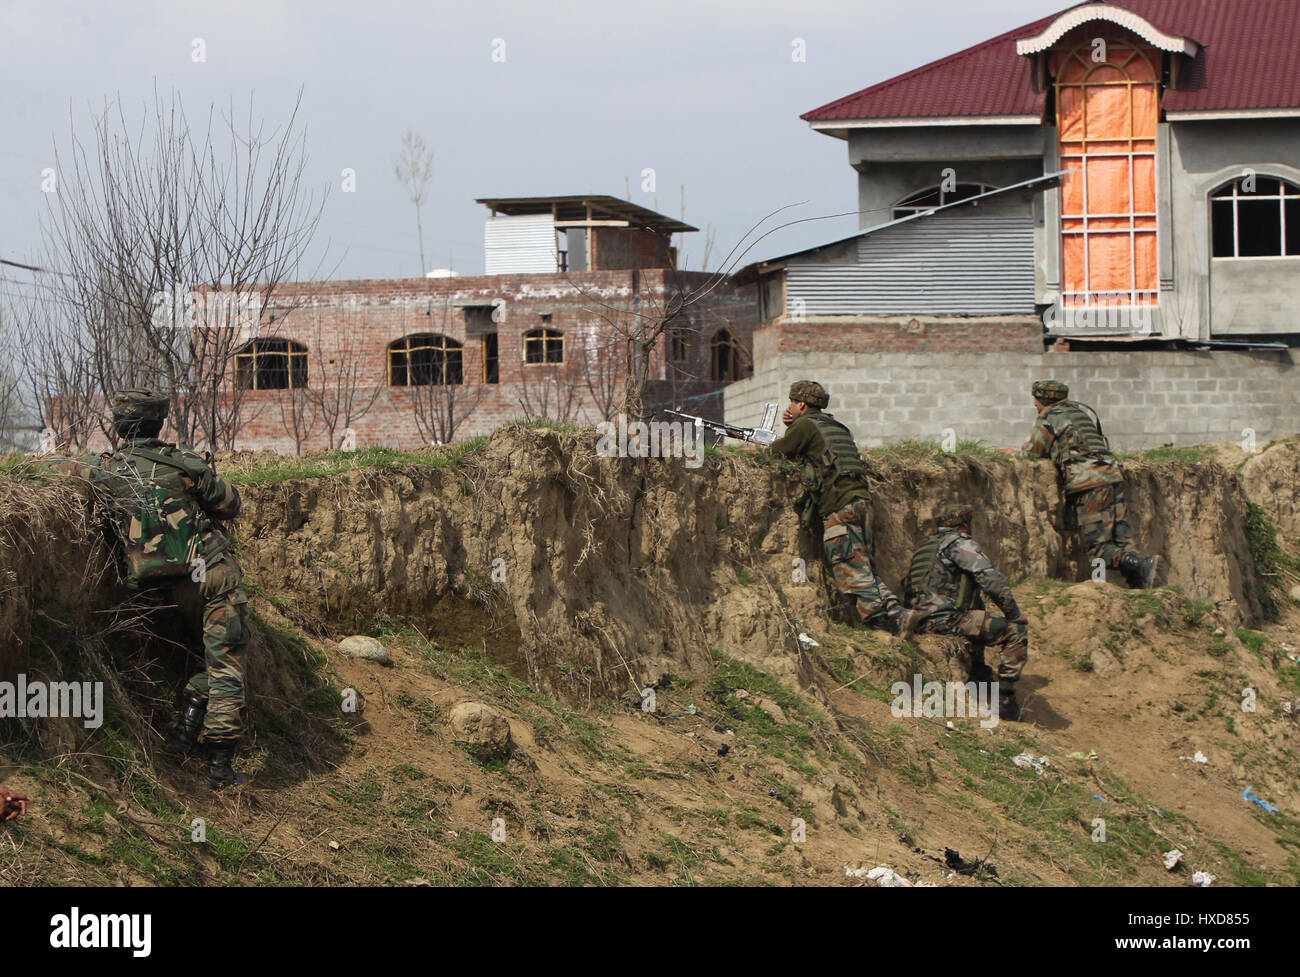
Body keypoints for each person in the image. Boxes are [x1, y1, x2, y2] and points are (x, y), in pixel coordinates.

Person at [91, 390, 251, 789]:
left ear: (118, 426)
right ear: (158, 423)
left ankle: (184, 732)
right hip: (210, 575)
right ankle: (219, 766)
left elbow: (63, 470)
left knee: (204, 653)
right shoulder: (183, 463)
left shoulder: (105, 470)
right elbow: (231, 504)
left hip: (158, 588)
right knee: (225, 663)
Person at [767, 380, 918, 636]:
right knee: (864, 566)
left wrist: (787, 430)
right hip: (861, 502)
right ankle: (897, 612)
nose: (789, 407)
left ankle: (883, 624)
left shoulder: (804, 425)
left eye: (792, 402)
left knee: (851, 567)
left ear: (801, 404)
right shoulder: (837, 426)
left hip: (840, 506)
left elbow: (777, 453)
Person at [1022, 380, 1158, 589]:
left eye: (1037, 401)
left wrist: (1017, 452)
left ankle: (1120, 576)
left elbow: (1034, 451)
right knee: (1122, 540)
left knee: (1098, 548)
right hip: (1112, 475)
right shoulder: (1080, 413)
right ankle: (1138, 584)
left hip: (1089, 483)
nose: (1035, 405)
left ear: (1045, 401)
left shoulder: (1051, 416)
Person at [905, 503, 1030, 720]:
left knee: (977, 610)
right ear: (964, 524)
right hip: (945, 620)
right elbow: (990, 580)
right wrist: (1014, 614)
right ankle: (1006, 702)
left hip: (918, 620)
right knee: (1014, 631)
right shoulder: (958, 543)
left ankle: (979, 674)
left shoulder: (925, 548)